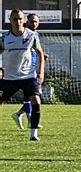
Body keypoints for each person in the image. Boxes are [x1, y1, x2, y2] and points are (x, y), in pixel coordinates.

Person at [0, 9, 45, 141]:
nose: (18, 21)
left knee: (36, 101)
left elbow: (40, 53)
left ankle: (33, 134)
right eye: (15, 19)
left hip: (28, 76)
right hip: (9, 77)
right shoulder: (4, 39)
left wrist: (41, 72)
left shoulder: (31, 35)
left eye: (20, 19)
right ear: (10, 21)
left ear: (23, 20)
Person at [11, 13, 47, 130]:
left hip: (34, 68)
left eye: (36, 22)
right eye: (32, 21)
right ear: (27, 22)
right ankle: (27, 118)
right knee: (35, 96)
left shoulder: (35, 34)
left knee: (33, 96)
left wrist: (42, 56)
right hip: (26, 70)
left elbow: (36, 50)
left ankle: (22, 115)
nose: (34, 24)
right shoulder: (23, 33)